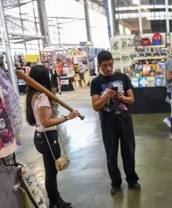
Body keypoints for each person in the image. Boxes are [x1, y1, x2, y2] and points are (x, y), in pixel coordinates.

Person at [26, 65, 80, 208]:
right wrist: (67, 117)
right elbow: (46, 122)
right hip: (47, 137)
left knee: (51, 171)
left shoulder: (34, 94)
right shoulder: (42, 96)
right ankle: (55, 202)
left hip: (41, 136)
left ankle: (56, 199)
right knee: (51, 172)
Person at [90, 50, 140, 195]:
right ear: (99, 66)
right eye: (105, 65)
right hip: (108, 122)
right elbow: (95, 106)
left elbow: (132, 99)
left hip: (124, 119)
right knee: (111, 153)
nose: (109, 68)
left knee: (129, 151)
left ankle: (132, 179)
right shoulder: (96, 82)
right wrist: (105, 96)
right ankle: (115, 183)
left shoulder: (123, 77)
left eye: (111, 64)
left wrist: (122, 97)